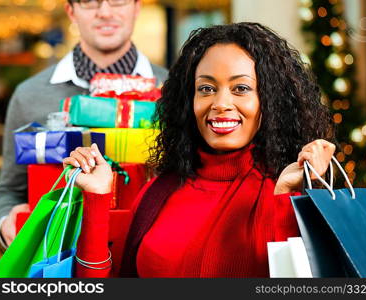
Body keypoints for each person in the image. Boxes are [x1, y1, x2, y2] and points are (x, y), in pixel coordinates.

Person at [63, 22, 336, 277]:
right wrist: (97, 197)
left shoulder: (286, 191)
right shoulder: (159, 191)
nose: (220, 103)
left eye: (241, 88)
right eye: (206, 88)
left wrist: (285, 195)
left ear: (271, 100)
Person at [0, 0, 168, 248]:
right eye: (89, 2)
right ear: (71, 11)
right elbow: (9, 192)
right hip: (60, 260)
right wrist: (6, 224)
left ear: (137, 6)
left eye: (118, 1)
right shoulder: (29, 94)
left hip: (146, 260)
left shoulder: (173, 89)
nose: (105, 12)